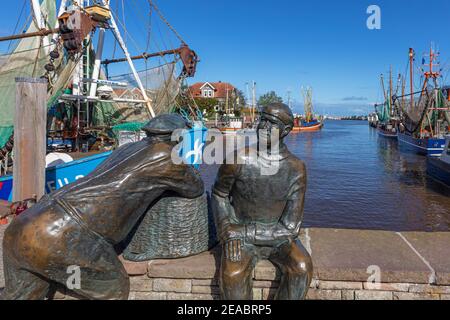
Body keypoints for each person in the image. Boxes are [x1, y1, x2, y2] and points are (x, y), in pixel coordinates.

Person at [1, 114, 204, 300]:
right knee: (113, 290)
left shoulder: (128, 148)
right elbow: (195, 188)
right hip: (64, 235)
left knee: (25, 294)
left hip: (26, 224)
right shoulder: (166, 157)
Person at [212, 103, 312, 300]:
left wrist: (246, 231)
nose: (263, 126)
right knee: (232, 275)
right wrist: (226, 228)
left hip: (277, 237)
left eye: (271, 122)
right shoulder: (238, 159)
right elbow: (219, 194)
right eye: (262, 119)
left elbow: (291, 227)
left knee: (301, 267)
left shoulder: (296, 168)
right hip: (240, 236)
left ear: (286, 130)